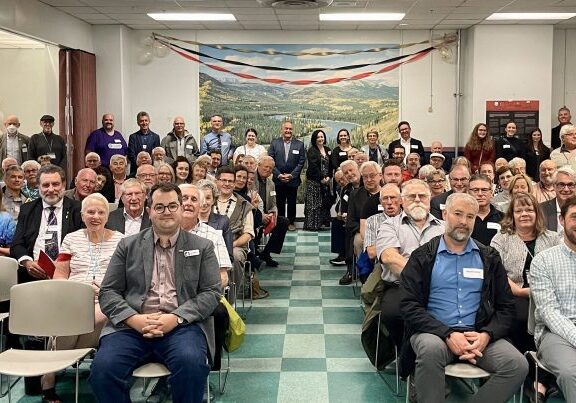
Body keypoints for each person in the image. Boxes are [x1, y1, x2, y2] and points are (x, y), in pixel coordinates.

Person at [89, 183, 221, 403]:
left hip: (182, 326)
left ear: (180, 209)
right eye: (159, 207)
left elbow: (211, 292)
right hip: (131, 327)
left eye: (172, 206)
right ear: (149, 211)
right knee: (102, 371)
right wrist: (134, 319)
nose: (166, 212)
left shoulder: (202, 246)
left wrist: (176, 318)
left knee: (192, 367)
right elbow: (109, 292)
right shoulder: (127, 246)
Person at [399, 192, 528, 402]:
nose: (463, 221)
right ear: (445, 214)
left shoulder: (489, 257)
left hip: (478, 334)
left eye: (470, 217)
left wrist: (486, 335)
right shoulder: (423, 257)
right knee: (430, 351)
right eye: (458, 214)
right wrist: (448, 333)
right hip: (434, 333)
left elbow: (506, 307)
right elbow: (407, 305)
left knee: (517, 364)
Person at [41, 193, 123, 403]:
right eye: (90, 212)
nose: (95, 216)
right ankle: (57, 370)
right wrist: (70, 292)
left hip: (106, 299)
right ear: (82, 214)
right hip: (73, 297)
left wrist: (106, 290)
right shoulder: (71, 239)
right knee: (72, 318)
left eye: (100, 212)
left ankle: (50, 371)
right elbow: (60, 274)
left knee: (81, 321)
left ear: (108, 215)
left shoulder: (121, 241)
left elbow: (126, 278)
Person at [490, 192, 560, 400]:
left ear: (537, 213)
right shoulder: (501, 239)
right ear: (511, 215)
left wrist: (541, 292)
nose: (524, 214)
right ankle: (534, 379)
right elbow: (497, 273)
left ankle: (541, 381)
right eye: (518, 210)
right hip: (514, 294)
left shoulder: (553, 238)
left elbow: (560, 269)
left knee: (551, 322)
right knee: (520, 319)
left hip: (548, 294)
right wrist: (521, 291)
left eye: (529, 209)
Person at [530, 195, 576, 402]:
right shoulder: (544, 261)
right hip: (555, 334)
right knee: (572, 373)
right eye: (574, 217)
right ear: (562, 220)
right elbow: (549, 313)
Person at [11, 164, 82, 283]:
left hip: (69, 275)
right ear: (38, 187)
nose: (50, 189)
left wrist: (62, 266)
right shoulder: (27, 209)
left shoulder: (78, 209)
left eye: (55, 184)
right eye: (45, 185)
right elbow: (17, 244)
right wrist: (27, 262)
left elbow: (83, 244)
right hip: (33, 275)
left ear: (63, 185)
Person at [341, 161, 382, 285]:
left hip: (387, 230)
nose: (369, 179)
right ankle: (366, 276)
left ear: (380, 175)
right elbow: (350, 221)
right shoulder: (355, 194)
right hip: (361, 230)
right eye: (365, 176)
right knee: (359, 241)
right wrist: (366, 230)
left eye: (372, 175)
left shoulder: (387, 192)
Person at [267, 120, 306, 231]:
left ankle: (291, 222)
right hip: (278, 180)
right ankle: (281, 222)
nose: (288, 131)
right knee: (279, 201)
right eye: (286, 128)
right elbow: (270, 160)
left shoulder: (299, 144)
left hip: (292, 180)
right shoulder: (275, 143)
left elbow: (301, 161)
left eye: (290, 129)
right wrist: (279, 175)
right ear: (282, 130)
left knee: (292, 201)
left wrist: (292, 175)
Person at [254, 156, 289, 267]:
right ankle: (253, 254)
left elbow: (273, 203)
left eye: (270, 168)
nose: (268, 170)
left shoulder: (271, 183)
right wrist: (261, 215)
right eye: (266, 167)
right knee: (256, 223)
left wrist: (273, 214)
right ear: (258, 166)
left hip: (267, 214)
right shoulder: (250, 180)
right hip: (253, 213)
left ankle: (266, 253)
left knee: (283, 222)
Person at [304, 129, 331, 231]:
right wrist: (321, 178)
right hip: (314, 181)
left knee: (323, 203)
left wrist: (328, 177)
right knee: (313, 203)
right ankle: (311, 225)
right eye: (318, 137)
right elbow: (313, 166)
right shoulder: (312, 150)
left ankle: (322, 223)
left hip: (326, 182)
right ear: (314, 139)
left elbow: (331, 164)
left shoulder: (328, 149)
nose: (320, 139)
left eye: (322, 136)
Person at [467, 174, 503, 246]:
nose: (480, 194)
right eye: (475, 190)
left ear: (491, 192)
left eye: (484, 190)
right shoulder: (462, 218)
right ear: (468, 192)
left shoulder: (503, 218)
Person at [540, 166, 576, 232]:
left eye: (570, 185)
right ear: (554, 186)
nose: (566, 189)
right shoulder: (541, 209)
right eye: (561, 185)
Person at [127, 111, 160, 176]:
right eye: (141, 121)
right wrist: (140, 164)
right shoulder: (133, 137)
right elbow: (131, 154)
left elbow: (156, 155)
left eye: (146, 120)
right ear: (138, 123)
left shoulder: (155, 137)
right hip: (136, 171)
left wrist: (147, 166)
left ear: (149, 121)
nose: (144, 123)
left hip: (151, 170)